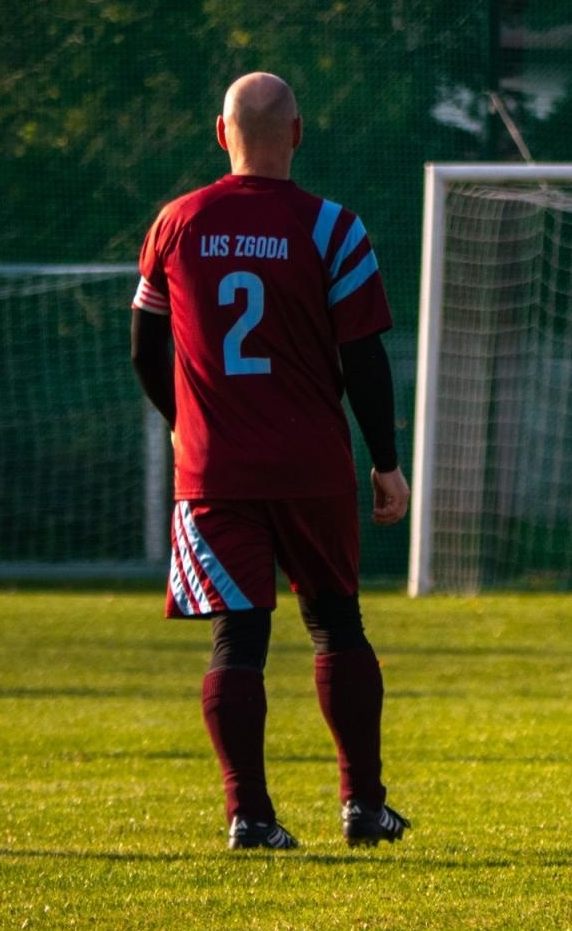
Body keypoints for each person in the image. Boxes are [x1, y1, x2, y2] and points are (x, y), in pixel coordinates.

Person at [131, 72, 411, 851]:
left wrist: (188, 427)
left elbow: (144, 347)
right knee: (335, 623)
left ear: (221, 135)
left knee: (237, 638)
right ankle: (361, 805)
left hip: (217, 469)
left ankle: (249, 815)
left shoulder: (177, 223)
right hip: (310, 465)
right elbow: (364, 358)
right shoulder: (333, 229)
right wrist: (385, 461)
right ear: (297, 133)